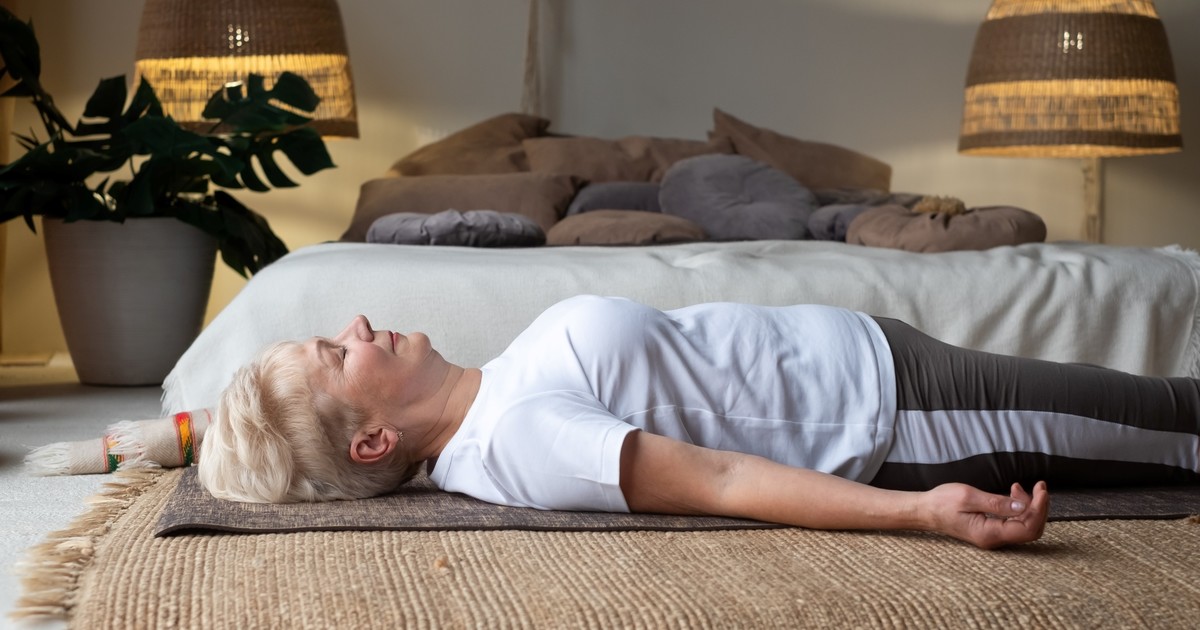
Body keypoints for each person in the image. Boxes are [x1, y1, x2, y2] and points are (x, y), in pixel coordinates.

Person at [198, 295, 1200, 550]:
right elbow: (721, 482)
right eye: (338, 353)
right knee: (1177, 425)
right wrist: (923, 513)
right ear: (373, 440)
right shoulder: (517, 442)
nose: (357, 326)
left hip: (879, 361)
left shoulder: (488, 399)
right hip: (902, 415)